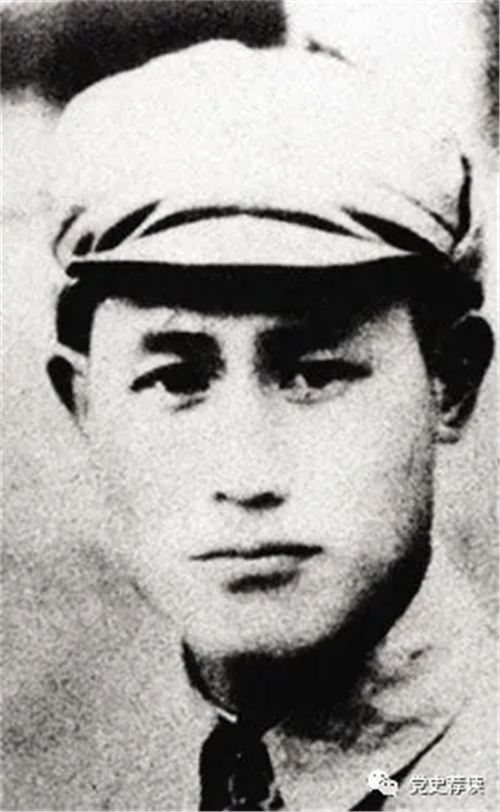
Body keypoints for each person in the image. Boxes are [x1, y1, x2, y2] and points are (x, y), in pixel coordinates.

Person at [5, 41, 497, 811]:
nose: (246, 475)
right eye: (176, 380)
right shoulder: (65, 779)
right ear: (85, 404)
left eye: (315, 374)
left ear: (451, 383)